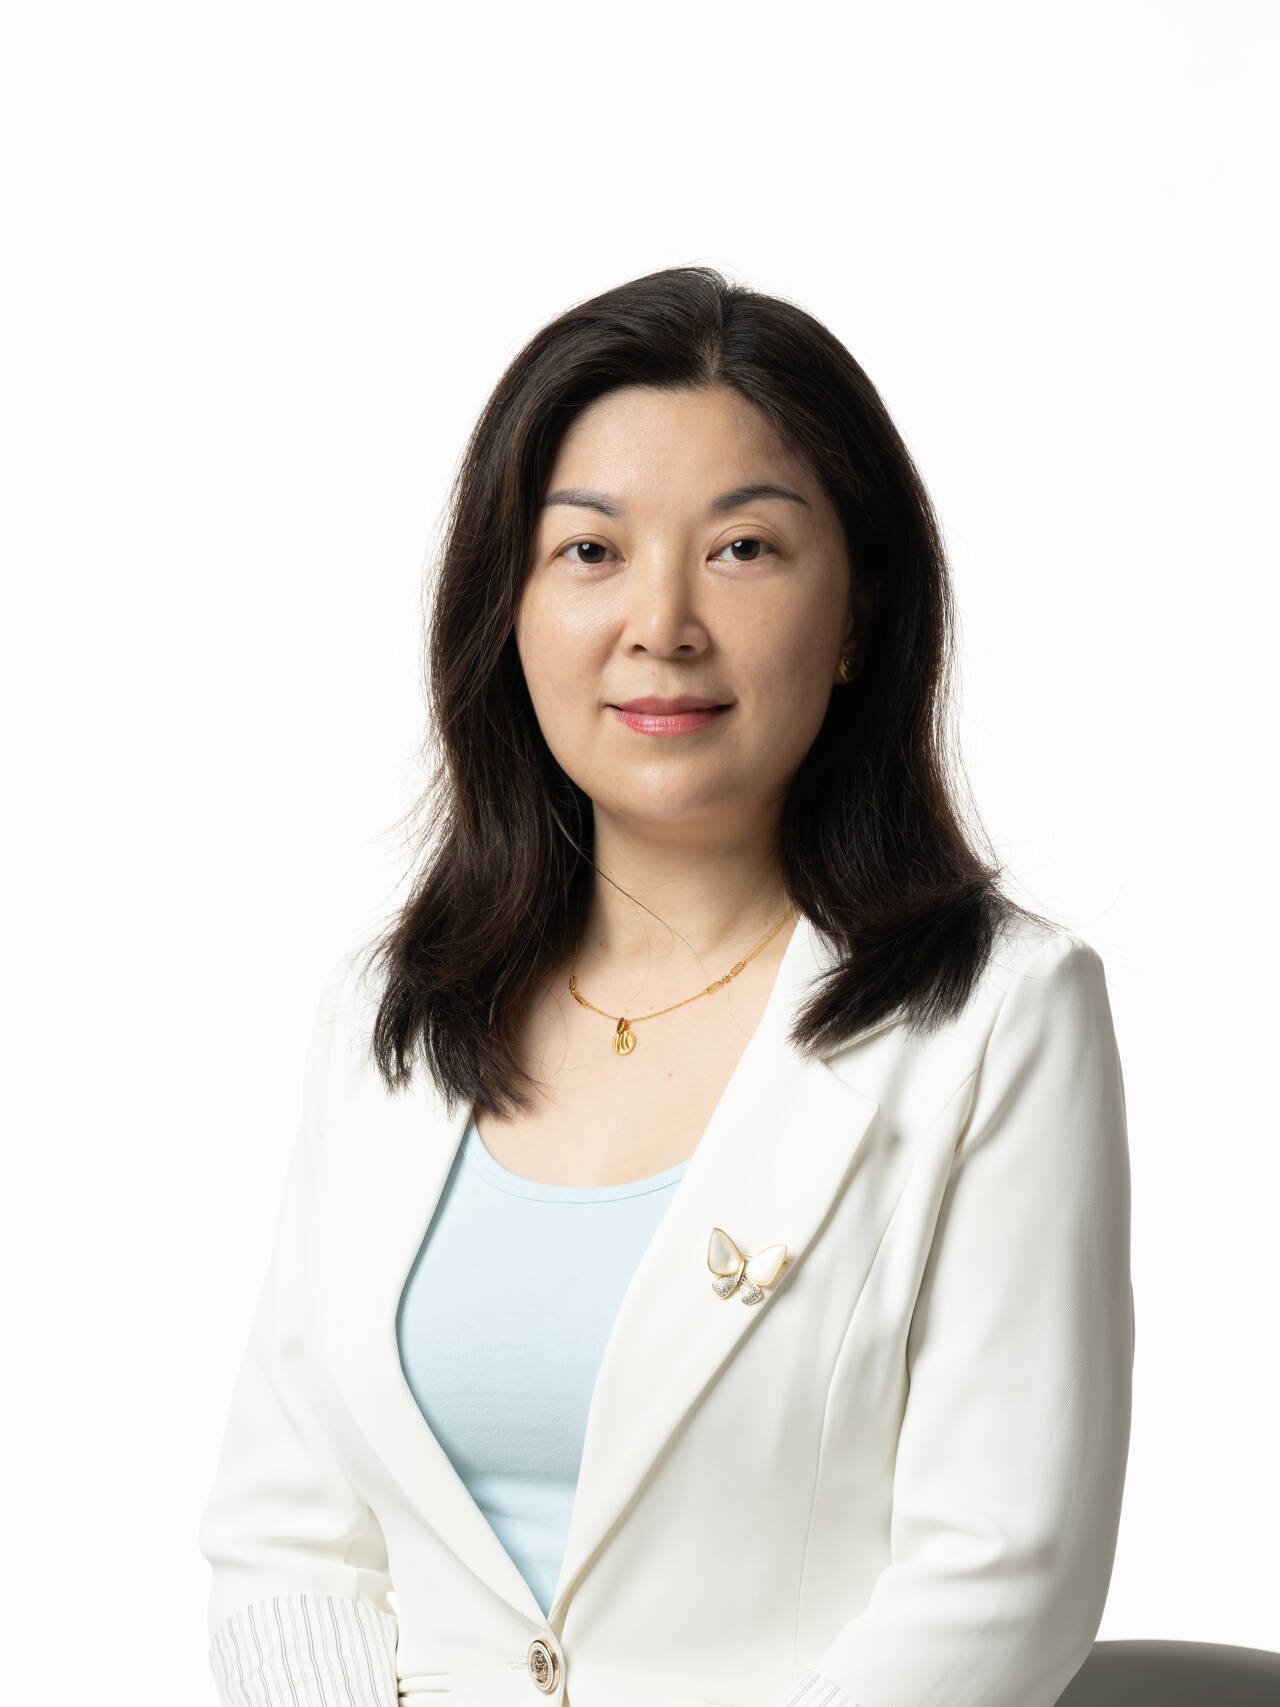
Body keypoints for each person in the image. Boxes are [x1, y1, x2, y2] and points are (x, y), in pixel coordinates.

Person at [196, 265, 1134, 1707]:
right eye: (589, 550)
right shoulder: (394, 1013)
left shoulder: (998, 1015)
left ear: (861, 610)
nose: (663, 624)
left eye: (745, 548)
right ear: (508, 607)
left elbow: (1000, 1572)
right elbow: (283, 1539)